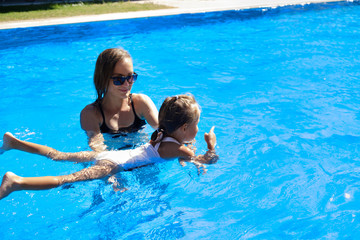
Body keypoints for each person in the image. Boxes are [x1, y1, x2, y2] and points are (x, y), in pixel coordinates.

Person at [0, 94, 218, 200]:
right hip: (111, 164)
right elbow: (202, 160)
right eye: (196, 124)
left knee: (59, 155)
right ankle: (16, 182)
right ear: (185, 127)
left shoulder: (163, 135)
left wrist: (189, 143)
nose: (198, 129)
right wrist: (211, 147)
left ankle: (14, 143)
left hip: (109, 154)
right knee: (66, 179)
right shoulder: (181, 149)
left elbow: (179, 151)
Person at [80, 48, 159, 151]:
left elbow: (165, 132)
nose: (126, 84)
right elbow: (98, 150)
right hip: (113, 161)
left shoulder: (141, 103)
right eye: (118, 79)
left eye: (130, 77)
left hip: (143, 157)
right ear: (103, 79)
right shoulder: (91, 114)